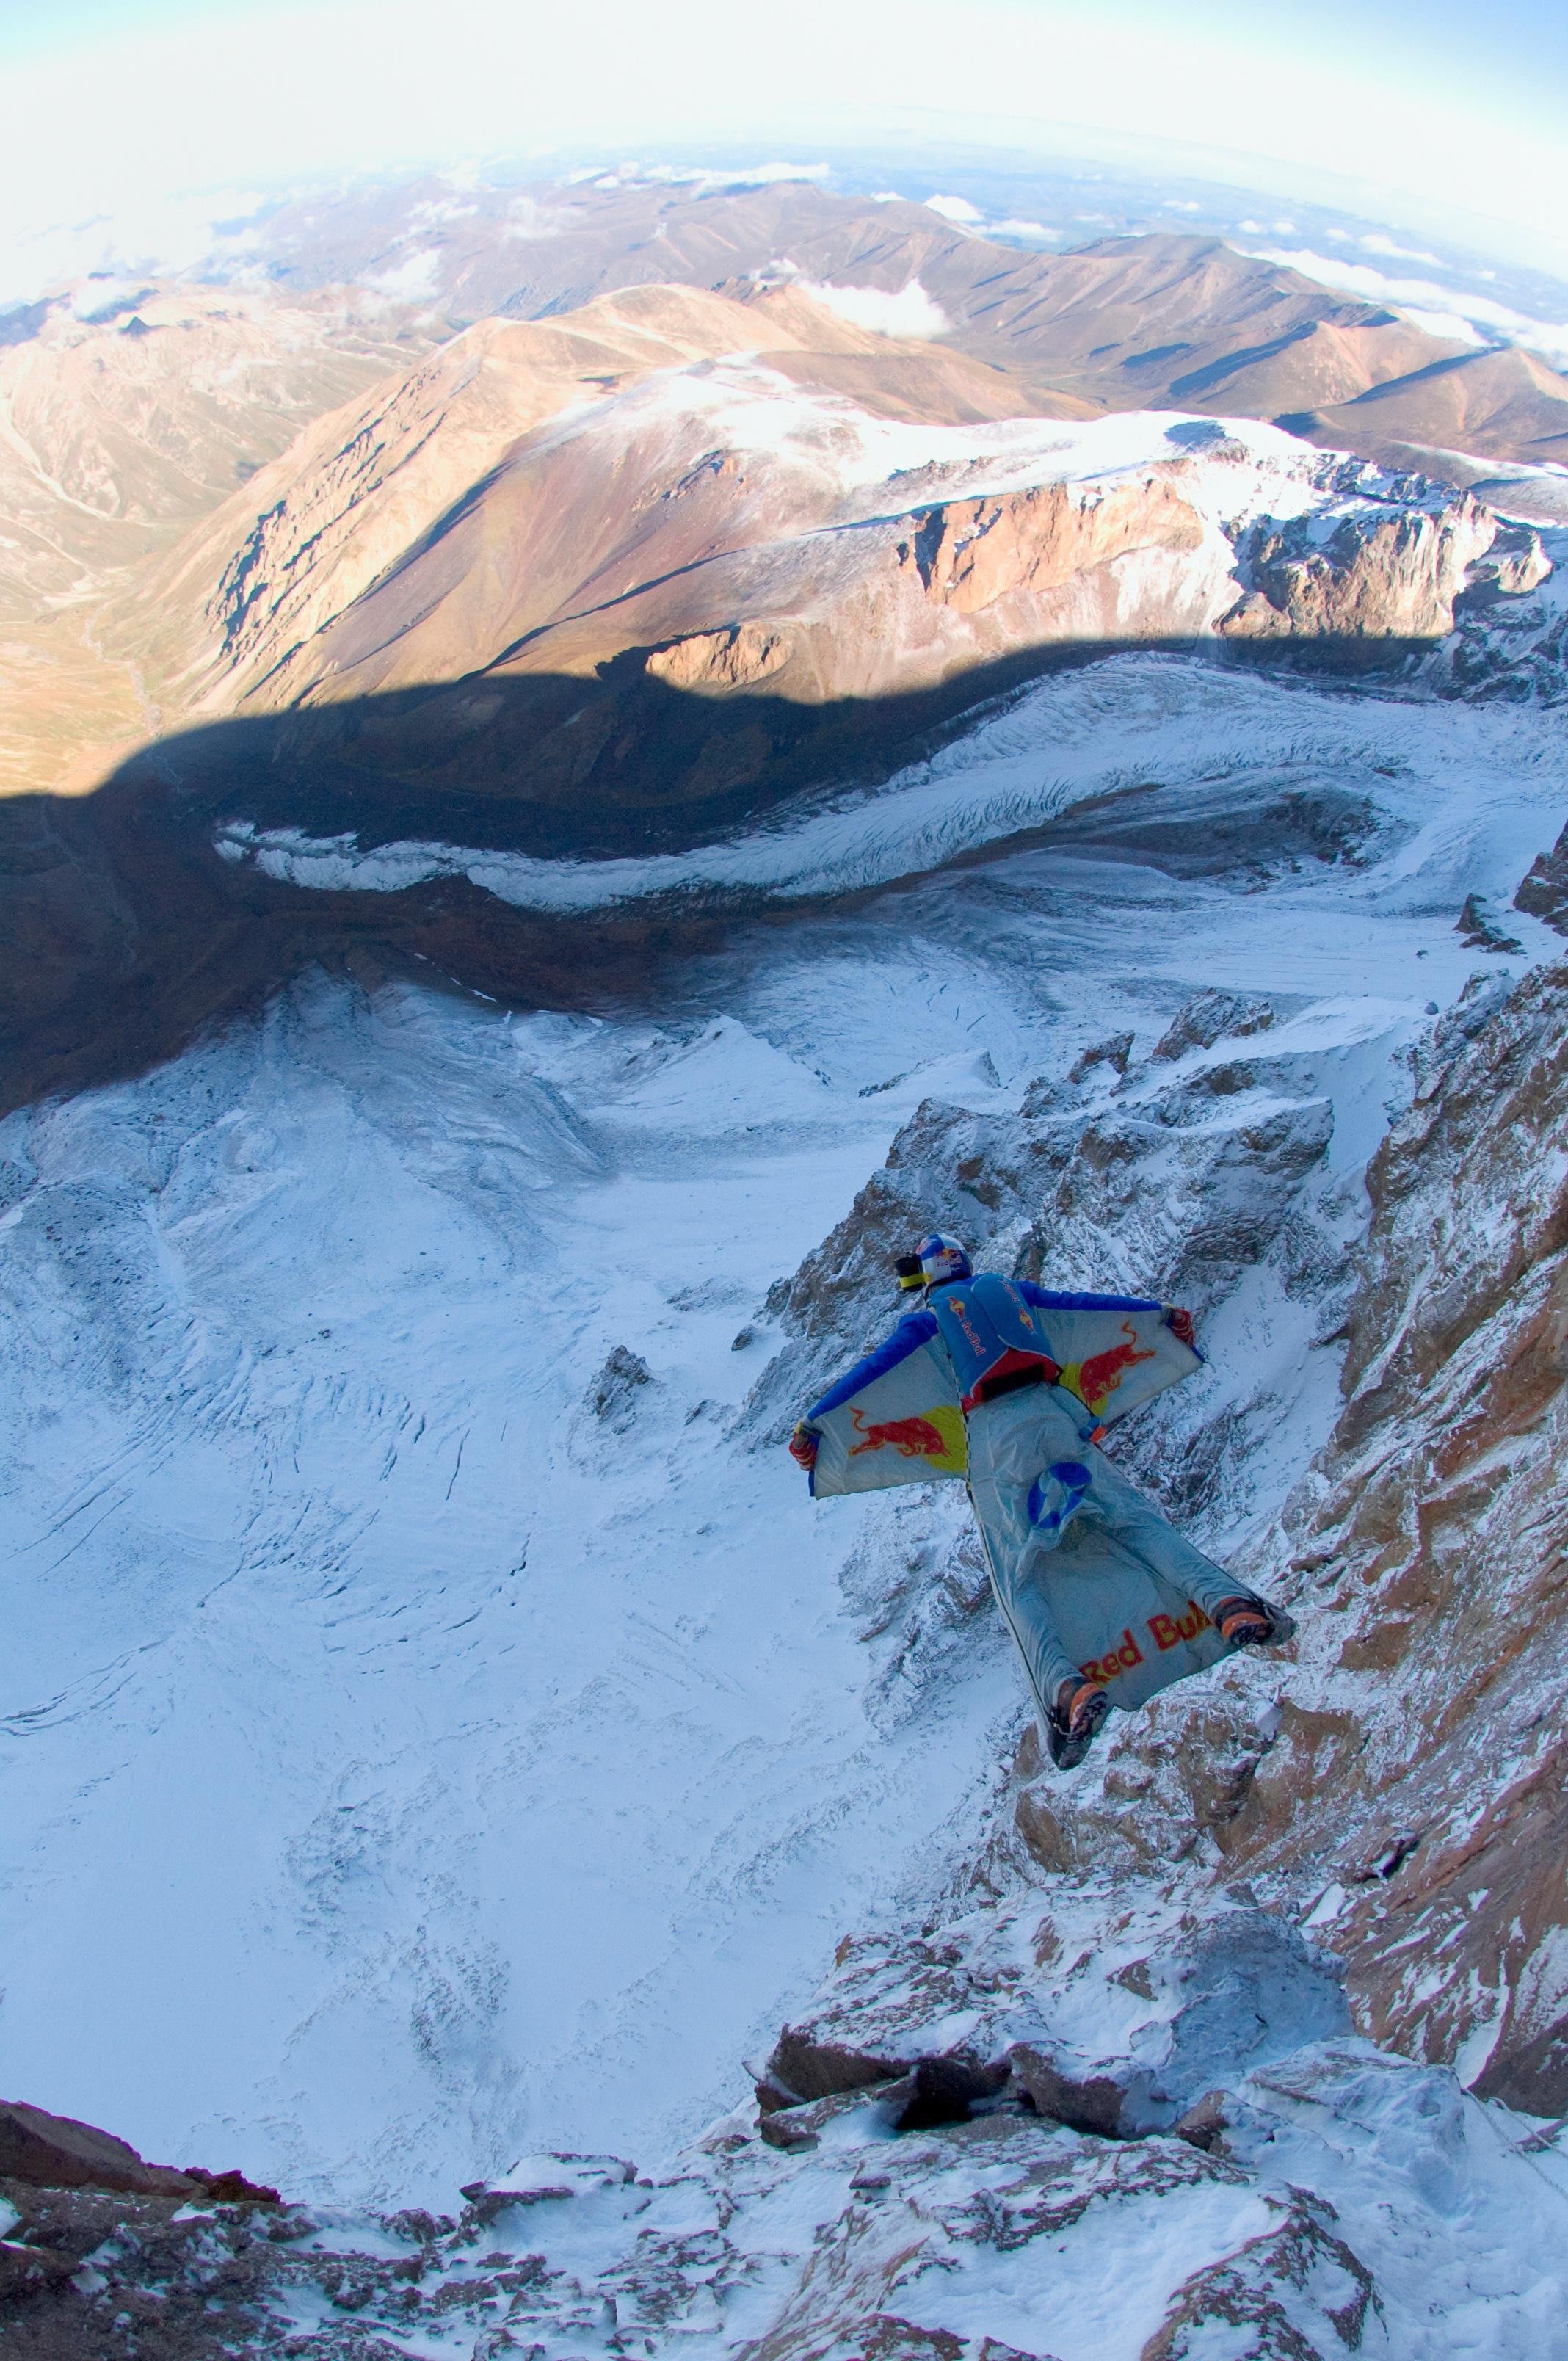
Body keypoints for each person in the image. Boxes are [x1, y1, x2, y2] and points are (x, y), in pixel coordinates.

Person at [790, 1233, 1290, 1769]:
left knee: (1018, 1576)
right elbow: (1088, 1311)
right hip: (1058, 1420)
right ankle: (1229, 1607)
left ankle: (1067, 1690)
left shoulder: (929, 1321)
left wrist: (815, 1428)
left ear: (927, 1277)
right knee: (1137, 1523)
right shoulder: (1016, 1295)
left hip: (996, 1443)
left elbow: (873, 1376)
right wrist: (1160, 1318)